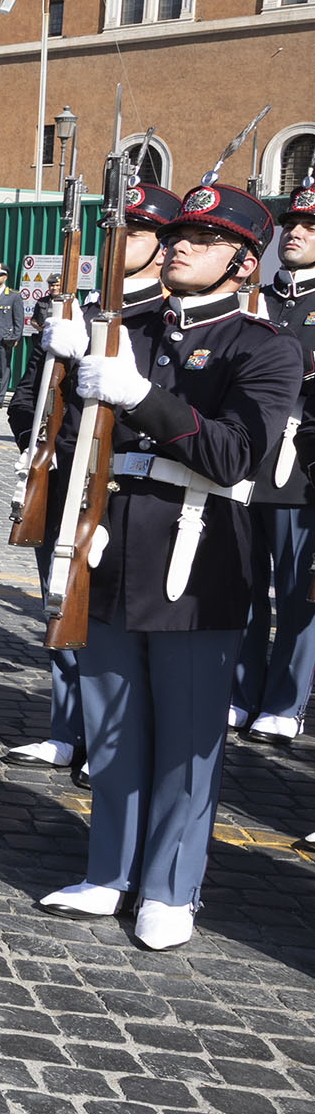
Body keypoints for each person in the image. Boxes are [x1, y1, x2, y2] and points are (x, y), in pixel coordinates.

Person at [32, 182, 297, 950]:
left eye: (203, 238)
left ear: (244, 263)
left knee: (185, 736)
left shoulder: (265, 346)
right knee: (113, 726)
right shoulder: (133, 324)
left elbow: (232, 453)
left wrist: (144, 396)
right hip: (115, 544)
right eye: (178, 232)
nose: (179, 243)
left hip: (198, 554)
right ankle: (109, 870)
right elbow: (77, 434)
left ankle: (172, 886)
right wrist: (64, 363)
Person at [4, 180, 181, 779]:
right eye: (112, 229)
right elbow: (27, 397)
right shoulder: (74, 310)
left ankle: (113, 741)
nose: (116, 240)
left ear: (161, 247)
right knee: (62, 598)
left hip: (121, 484)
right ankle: (66, 728)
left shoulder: (167, 317)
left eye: (133, 231)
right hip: (65, 477)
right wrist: (47, 438)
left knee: (116, 624)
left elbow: (166, 406)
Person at [234, 179, 315, 745]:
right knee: (239, 582)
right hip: (246, 456)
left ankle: (287, 700)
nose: (296, 233)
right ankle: (240, 689)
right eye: (291, 225)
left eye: (309, 228)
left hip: (301, 461)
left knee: (295, 589)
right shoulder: (258, 297)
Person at [0, 265, 26, 402]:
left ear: (5, 277)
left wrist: (15, 337)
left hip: (4, 339)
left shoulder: (14, 296)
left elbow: (18, 320)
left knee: (2, 368)